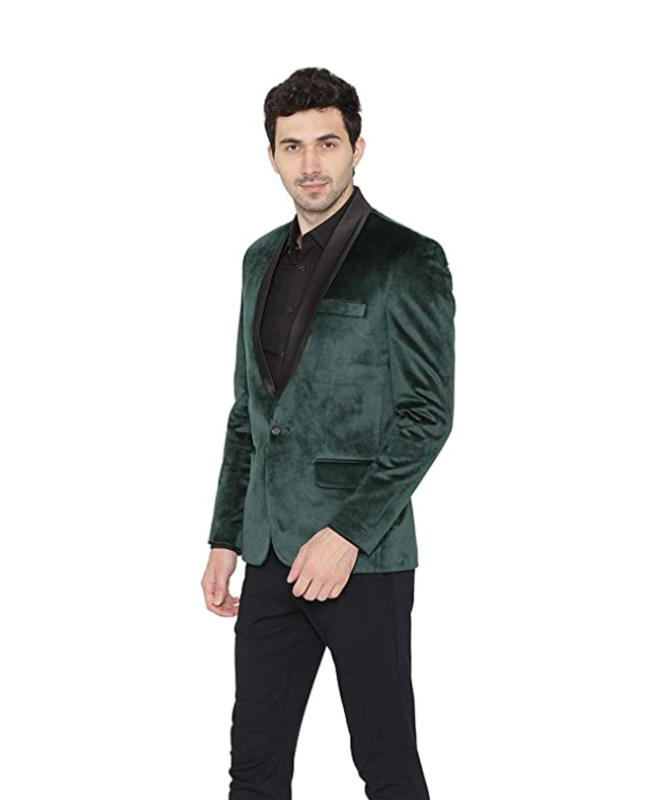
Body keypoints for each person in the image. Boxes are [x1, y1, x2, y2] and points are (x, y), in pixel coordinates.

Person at [201, 66, 456, 800]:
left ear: (357, 149)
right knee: (253, 769)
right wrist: (225, 536)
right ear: (272, 156)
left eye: (327, 143)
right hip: (268, 553)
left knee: (385, 765)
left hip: (362, 559)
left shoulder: (407, 258)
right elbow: (249, 412)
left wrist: (347, 534)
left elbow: (427, 415)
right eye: (293, 147)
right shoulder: (258, 258)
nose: (310, 163)